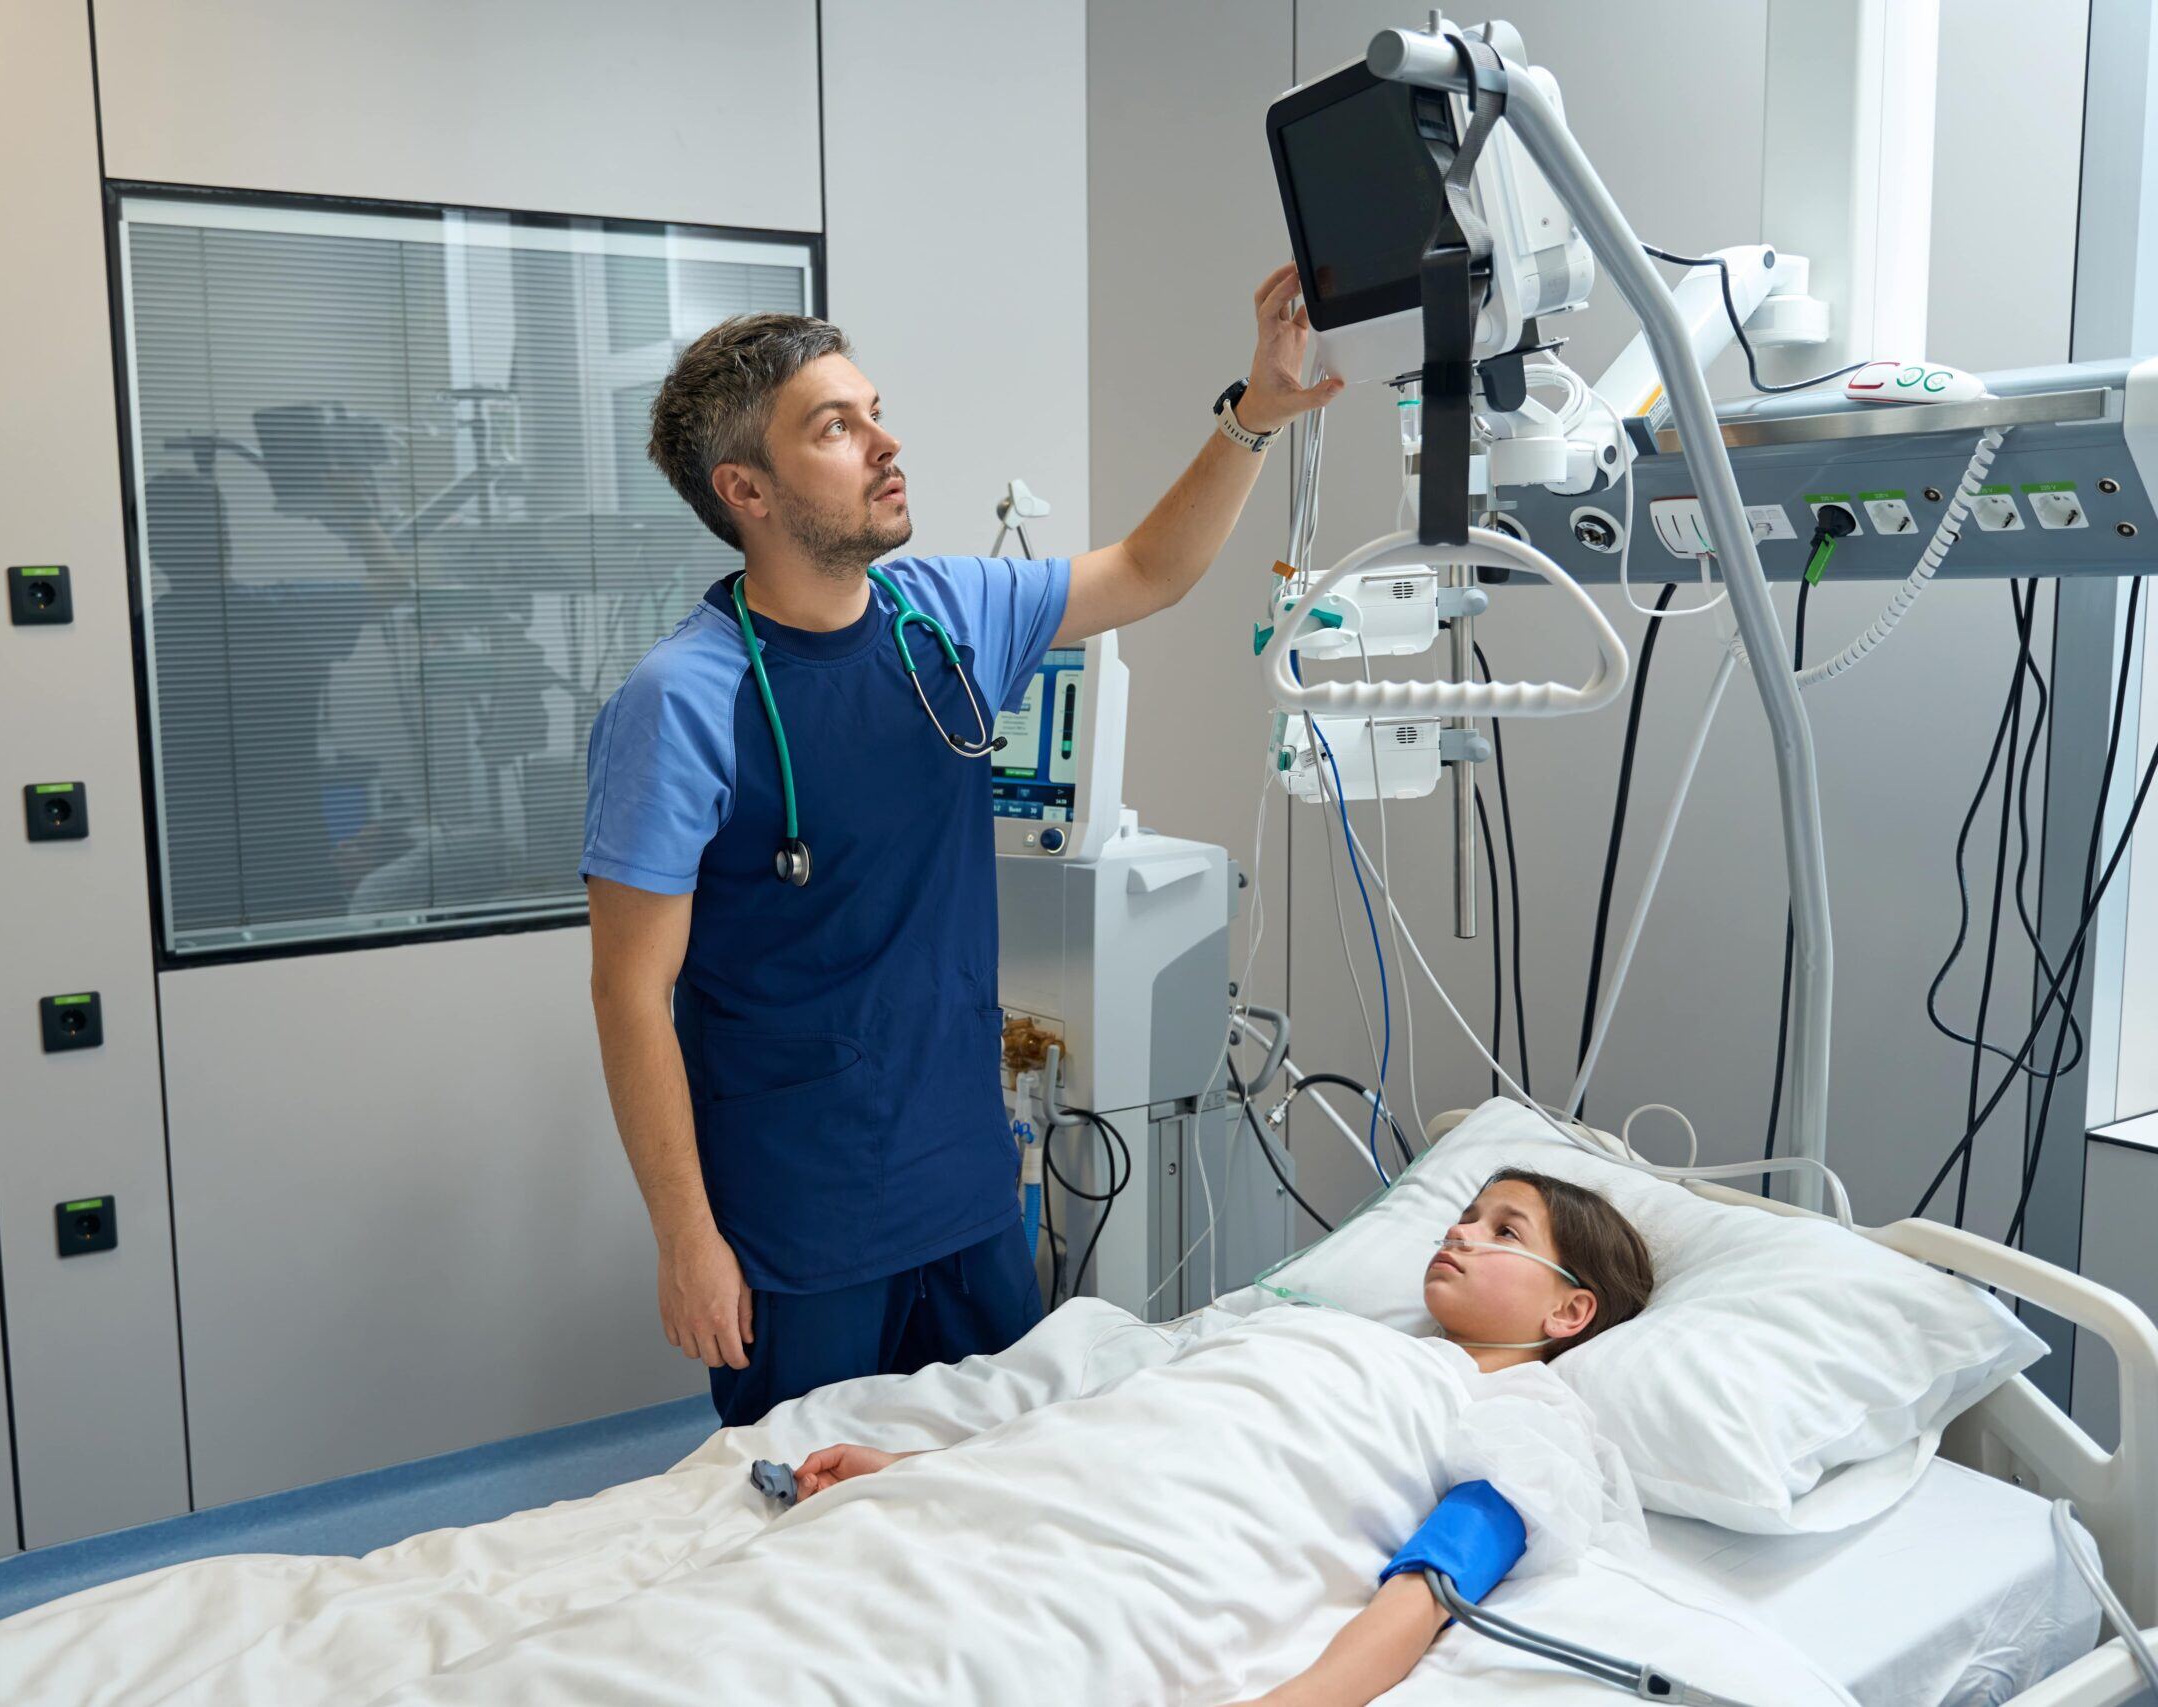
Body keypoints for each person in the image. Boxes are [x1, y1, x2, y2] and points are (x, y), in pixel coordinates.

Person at [581, 269, 1344, 1426]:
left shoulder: (942, 613)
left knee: (1000, 1479)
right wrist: (686, 1238)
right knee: (815, 1518)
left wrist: (1253, 416)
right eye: (835, 428)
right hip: (800, 1211)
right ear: (747, 489)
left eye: (872, 409)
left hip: (965, 1179)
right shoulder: (683, 700)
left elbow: (1148, 570)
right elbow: (631, 995)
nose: (885, 444)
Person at [793, 1169, 1656, 1707]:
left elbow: (1433, 1585)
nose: (1460, 1231)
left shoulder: (1518, 1411)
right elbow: (1118, 1423)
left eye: (1505, 1230)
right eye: (1465, 1214)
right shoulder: (1329, 1332)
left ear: (1570, 1309)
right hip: (1038, 1498)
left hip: (1147, 1560)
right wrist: (921, 1468)